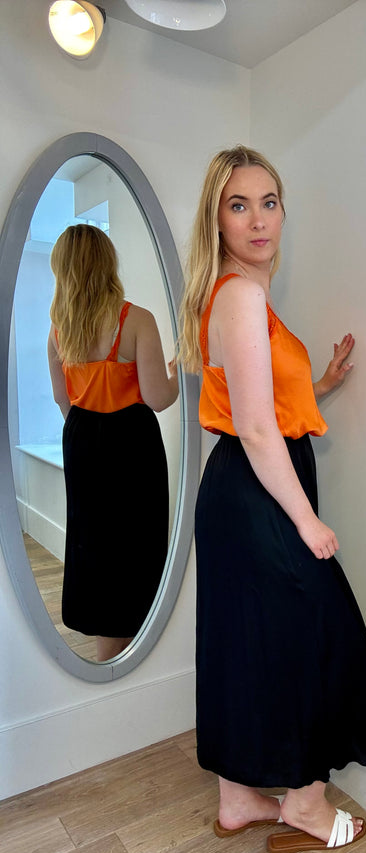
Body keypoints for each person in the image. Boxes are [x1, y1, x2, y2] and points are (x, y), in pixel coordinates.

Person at [179, 145, 366, 853]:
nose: (258, 219)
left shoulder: (235, 296)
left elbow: (262, 398)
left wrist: (318, 384)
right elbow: (258, 427)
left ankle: (238, 799)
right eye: (239, 205)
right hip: (258, 488)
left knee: (247, 638)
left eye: (269, 202)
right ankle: (306, 804)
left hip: (243, 485)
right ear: (217, 220)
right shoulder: (239, 296)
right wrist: (307, 520)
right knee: (320, 634)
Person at [47, 224, 179, 662]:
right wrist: (176, 374)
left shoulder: (59, 331)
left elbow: (63, 400)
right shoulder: (136, 320)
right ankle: (140, 648)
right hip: (132, 443)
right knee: (138, 541)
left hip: (82, 441)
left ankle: (106, 652)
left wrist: (88, 435)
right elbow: (158, 398)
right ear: (108, 262)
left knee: (93, 542)